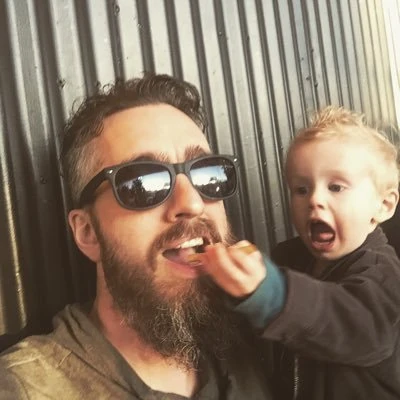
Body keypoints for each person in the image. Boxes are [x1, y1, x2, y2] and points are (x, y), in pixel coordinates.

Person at [0, 74, 275, 399]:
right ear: (88, 232)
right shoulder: (26, 387)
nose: (192, 203)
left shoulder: (262, 343)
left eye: (207, 173)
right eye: (143, 183)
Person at [201, 106, 400, 399]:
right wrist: (231, 279)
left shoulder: (384, 275)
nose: (315, 199)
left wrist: (273, 294)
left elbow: (354, 325)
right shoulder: (288, 258)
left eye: (336, 187)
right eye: (301, 189)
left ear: (383, 206)